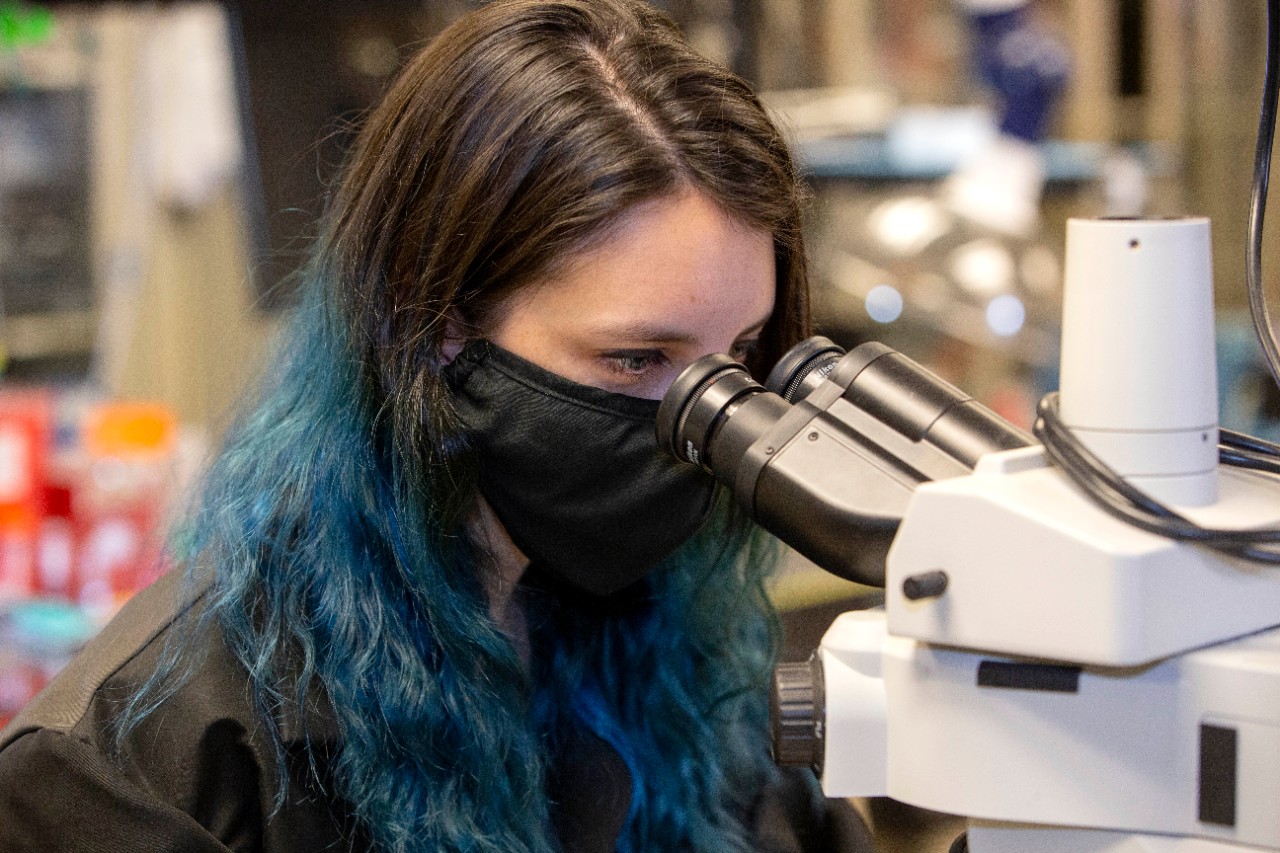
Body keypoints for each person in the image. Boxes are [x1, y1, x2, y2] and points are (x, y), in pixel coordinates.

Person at [0, 1, 874, 851]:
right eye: (636, 359)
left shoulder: (687, 669)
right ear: (434, 325)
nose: (706, 426)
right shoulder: (140, 765)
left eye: (742, 354)